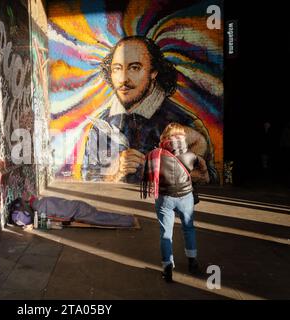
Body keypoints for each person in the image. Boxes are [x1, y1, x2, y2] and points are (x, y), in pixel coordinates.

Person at [82, 36, 217, 184]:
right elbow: (88, 180)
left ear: (154, 72)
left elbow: (213, 181)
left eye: (134, 68)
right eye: (117, 69)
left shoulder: (186, 122)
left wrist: (191, 178)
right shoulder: (101, 125)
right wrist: (114, 175)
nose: (123, 79)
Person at [140, 123, 209, 282]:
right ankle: (192, 262)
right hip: (186, 198)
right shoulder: (190, 156)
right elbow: (202, 167)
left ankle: (167, 268)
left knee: (166, 234)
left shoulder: (154, 155)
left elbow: (145, 169)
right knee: (189, 228)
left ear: (164, 138)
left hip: (165, 199)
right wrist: (204, 175)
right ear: (183, 139)